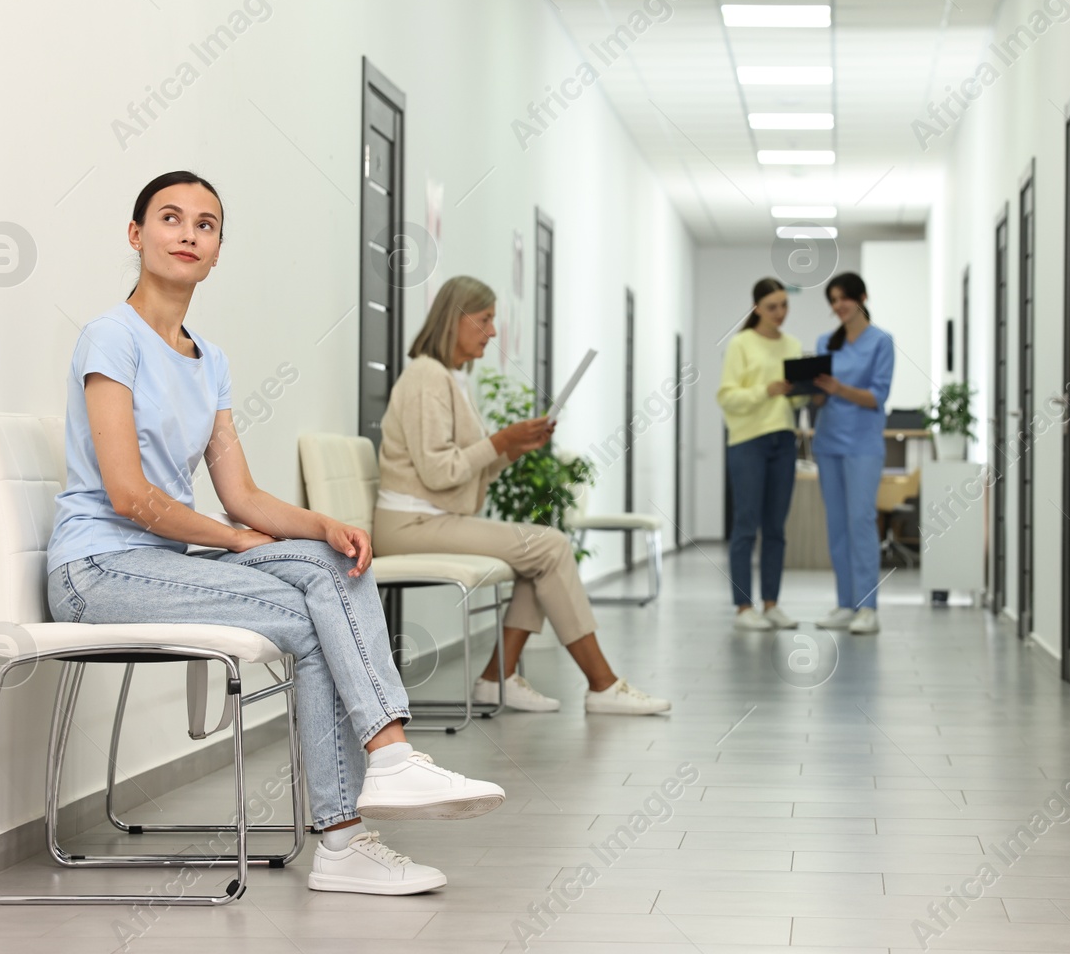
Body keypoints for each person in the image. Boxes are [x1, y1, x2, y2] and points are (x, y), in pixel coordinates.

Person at [46, 171, 506, 898]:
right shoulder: (111, 337)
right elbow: (131, 496)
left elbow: (242, 495)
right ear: (136, 235)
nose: (188, 233)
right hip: (98, 568)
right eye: (170, 218)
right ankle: (356, 815)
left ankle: (375, 785)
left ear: (219, 248)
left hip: (163, 564)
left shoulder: (212, 361)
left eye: (205, 224)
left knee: (331, 564)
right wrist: (235, 541)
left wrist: (325, 523)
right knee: (312, 614)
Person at [371, 275, 671, 716]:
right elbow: (439, 471)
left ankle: (498, 678)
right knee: (549, 545)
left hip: (433, 518)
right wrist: (500, 441)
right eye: (486, 320)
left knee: (540, 556)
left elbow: (459, 469)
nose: (492, 332)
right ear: (456, 319)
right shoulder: (426, 378)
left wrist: (511, 447)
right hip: (410, 526)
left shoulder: (452, 379)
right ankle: (602, 685)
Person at [716, 277, 808, 632]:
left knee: (775, 528)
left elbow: (794, 400)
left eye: (785, 305)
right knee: (746, 525)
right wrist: (764, 390)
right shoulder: (741, 344)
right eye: (773, 307)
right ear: (757, 309)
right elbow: (726, 396)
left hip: (783, 440)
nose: (780, 313)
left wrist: (804, 391)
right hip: (748, 441)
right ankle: (743, 607)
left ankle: (771, 604)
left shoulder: (793, 344)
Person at [812, 272, 895, 634]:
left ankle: (868, 607)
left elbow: (877, 396)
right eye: (833, 300)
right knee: (837, 525)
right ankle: (845, 603)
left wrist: (839, 388)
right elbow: (819, 396)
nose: (838, 306)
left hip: (862, 444)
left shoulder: (882, 342)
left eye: (843, 298)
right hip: (828, 442)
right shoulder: (825, 343)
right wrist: (808, 388)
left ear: (862, 297)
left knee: (861, 521)